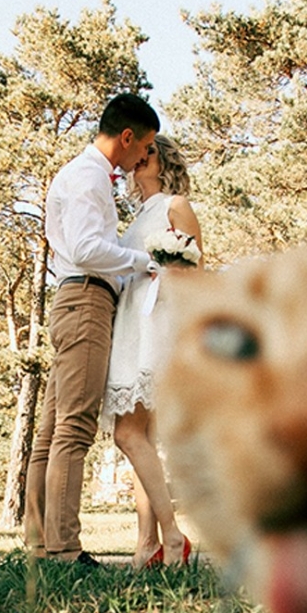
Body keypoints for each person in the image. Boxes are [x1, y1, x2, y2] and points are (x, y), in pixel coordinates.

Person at [24, 93, 160, 565]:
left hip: (74, 299)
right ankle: (64, 550)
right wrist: (145, 262)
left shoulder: (84, 174)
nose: (144, 157)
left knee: (52, 430)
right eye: (145, 147)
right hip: (85, 300)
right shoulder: (88, 177)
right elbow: (86, 249)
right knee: (74, 426)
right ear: (127, 137)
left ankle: (40, 545)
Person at [100, 134, 204, 568]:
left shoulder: (175, 205)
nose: (141, 157)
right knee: (142, 438)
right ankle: (147, 544)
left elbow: (197, 272)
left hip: (156, 325)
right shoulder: (137, 217)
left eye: (152, 151)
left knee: (128, 434)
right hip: (130, 323)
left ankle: (173, 537)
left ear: (166, 162)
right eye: (140, 152)